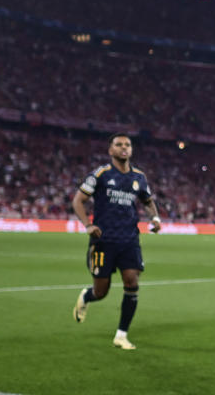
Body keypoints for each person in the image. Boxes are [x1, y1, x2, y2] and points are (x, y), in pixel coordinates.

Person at [71, 134, 162, 350]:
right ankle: (86, 297)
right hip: (103, 241)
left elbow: (148, 201)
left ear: (131, 150)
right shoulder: (100, 174)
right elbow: (78, 200)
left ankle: (121, 335)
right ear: (110, 150)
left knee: (132, 282)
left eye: (127, 145)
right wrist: (87, 225)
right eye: (119, 145)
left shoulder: (139, 177)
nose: (124, 148)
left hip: (129, 239)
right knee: (101, 292)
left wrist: (155, 218)